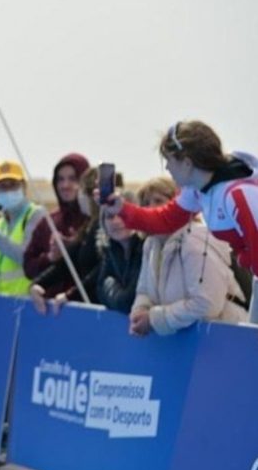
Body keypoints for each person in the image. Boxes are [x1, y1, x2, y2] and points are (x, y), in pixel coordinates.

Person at [103, 120, 258, 320]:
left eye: (168, 160)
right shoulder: (198, 190)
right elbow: (165, 220)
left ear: (186, 162)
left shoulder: (238, 195)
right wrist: (122, 209)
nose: (167, 167)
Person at [128, 177, 247, 336]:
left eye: (158, 201)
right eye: (145, 204)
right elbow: (144, 291)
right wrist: (139, 311)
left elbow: (207, 304)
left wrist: (154, 319)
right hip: (189, 338)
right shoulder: (151, 244)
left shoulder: (194, 240)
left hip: (225, 336)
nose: (151, 208)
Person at [30, 167, 103, 312]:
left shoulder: (104, 227)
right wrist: (38, 284)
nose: (79, 196)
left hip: (99, 307)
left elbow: (102, 270)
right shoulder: (88, 227)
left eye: (81, 191)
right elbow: (66, 263)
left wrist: (70, 295)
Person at [0, 160, 45, 296]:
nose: (8, 190)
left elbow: (27, 259)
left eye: (13, 184)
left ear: (24, 186)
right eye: (2, 186)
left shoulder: (36, 215)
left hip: (25, 301)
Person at [23, 153, 90, 296]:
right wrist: (50, 257)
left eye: (73, 179)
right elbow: (28, 267)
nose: (65, 185)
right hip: (48, 305)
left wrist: (74, 247)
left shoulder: (94, 220)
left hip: (84, 303)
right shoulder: (48, 222)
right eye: (60, 179)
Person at [97, 193, 144, 313]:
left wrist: (110, 287)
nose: (116, 221)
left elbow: (129, 301)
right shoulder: (110, 250)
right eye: (110, 216)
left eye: (123, 215)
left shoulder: (145, 248)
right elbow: (100, 288)